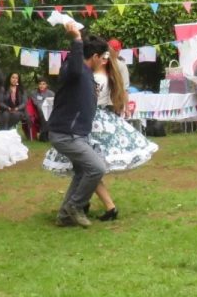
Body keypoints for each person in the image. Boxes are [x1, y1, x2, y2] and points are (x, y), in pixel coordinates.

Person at [44, 45, 157, 221]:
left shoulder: (94, 76)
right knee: (87, 168)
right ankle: (86, 205)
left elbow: (88, 99)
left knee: (90, 167)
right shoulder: (111, 75)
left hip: (91, 121)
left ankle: (86, 205)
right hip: (102, 118)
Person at [46, 25, 109, 227]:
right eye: (103, 57)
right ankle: (75, 206)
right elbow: (74, 66)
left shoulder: (86, 72)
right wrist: (77, 39)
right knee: (97, 168)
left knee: (83, 171)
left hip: (76, 133)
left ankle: (64, 217)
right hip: (66, 134)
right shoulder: (76, 69)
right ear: (96, 56)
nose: (104, 61)